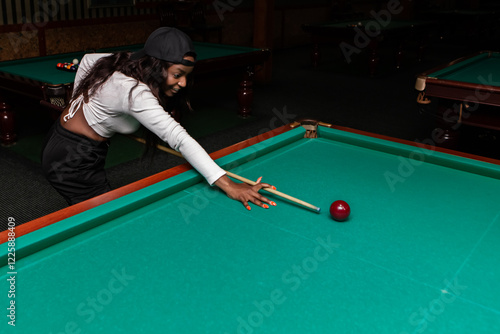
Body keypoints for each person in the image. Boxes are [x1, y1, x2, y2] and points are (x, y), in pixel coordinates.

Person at [41, 27, 275, 210]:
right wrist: (229, 185)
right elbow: (179, 138)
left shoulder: (121, 60)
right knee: (106, 224)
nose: (183, 83)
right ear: (156, 66)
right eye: (177, 74)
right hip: (74, 159)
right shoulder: (134, 93)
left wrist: (77, 104)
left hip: (61, 139)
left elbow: (87, 60)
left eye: (186, 76)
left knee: (94, 213)